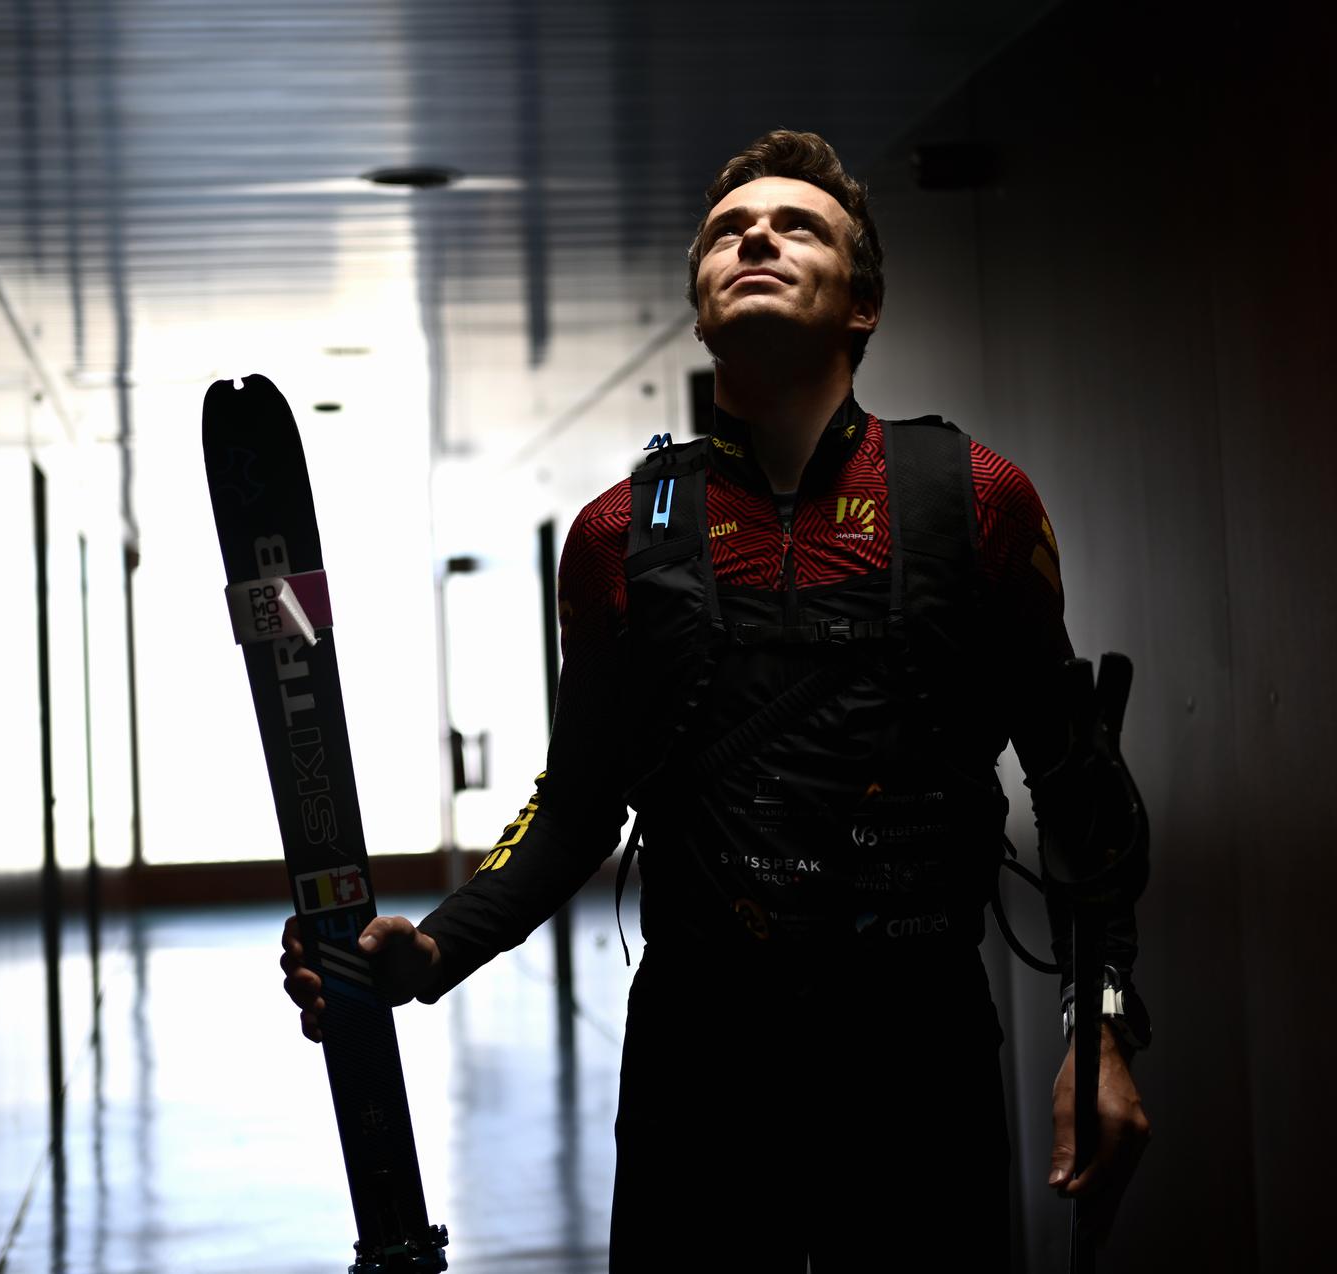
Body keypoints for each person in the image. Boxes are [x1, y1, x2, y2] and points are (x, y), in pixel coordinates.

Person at [280, 129, 1151, 1269]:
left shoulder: (974, 501)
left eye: (798, 225)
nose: (756, 236)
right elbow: (576, 806)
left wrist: (1105, 1032)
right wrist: (429, 952)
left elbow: (1079, 788)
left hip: (918, 1050)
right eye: (727, 231)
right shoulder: (616, 536)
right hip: (699, 1055)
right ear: (698, 307)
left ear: (865, 302)